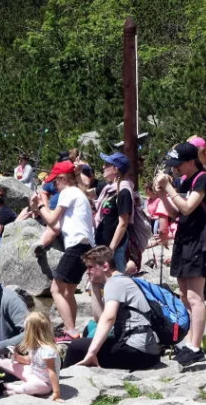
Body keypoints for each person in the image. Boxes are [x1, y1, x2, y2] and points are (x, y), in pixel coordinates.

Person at [155, 141, 206, 367]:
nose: (175, 169)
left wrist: (168, 188)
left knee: (195, 297)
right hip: (185, 240)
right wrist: (162, 195)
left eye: (178, 165)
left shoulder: (202, 179)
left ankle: (196, 346)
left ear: (190, 161)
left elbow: (187, 207)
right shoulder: (184, 180)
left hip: (200, 242)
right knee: (184, 294)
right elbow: (177, 213)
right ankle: (188, 340)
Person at [64, 246, 162, 370]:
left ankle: (63, 384)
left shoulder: (115, 283)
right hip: (144, 350)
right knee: (86, 336)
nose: (87, 272)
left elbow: (109, 318)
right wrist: (94, 287)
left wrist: (91, 353)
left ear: (105, 266)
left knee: (75, 347)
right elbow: (100, 319)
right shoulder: (120, 280)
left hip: (138, 352)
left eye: (90, 267)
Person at [31, 160, 95, 342]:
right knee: (68, 291)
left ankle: (71, 331)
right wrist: (42, 203)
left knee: (56, 290)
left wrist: (40, 204)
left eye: (55, 182)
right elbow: (57, 225)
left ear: (63, 179)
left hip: (76, 246)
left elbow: (51, 220)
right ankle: (72, 329)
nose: (54, 186)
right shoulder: (78, 194)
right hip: (86, 246)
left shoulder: (68, 192)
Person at [0, 312, 62, 400]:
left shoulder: (47, 350)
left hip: (44, 383)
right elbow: (29, 361)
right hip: (33, 373)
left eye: (26, 330)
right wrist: (17, 357)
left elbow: (51, 372)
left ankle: (12, 387)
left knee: (34, 386)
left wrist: (56, 392)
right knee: (11, 365)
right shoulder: (35, 346)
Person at [94, 152, 133, 272]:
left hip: (115, 248)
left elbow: (123, 223)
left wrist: (111, 249)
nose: (103, 167)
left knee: (117, 282)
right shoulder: (108, 190)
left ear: (115, 169)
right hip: (102, 245)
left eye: (107, 164)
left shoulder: (123, 191)